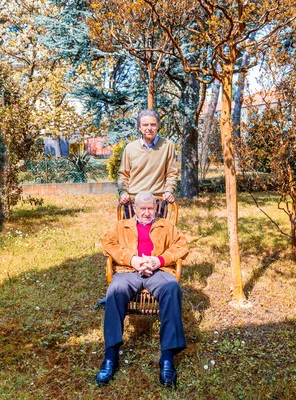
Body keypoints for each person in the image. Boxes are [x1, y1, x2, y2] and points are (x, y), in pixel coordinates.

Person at [96, 191, 188, 387]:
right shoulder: (122, 226)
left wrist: (158, 260)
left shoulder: (167, 226)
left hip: (158, 271)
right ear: (135, 209)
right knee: (114, 290)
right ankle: (110, 357)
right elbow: (107, 243)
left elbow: (182, 246)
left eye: (150, 208)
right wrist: (133, 260)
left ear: (155, 208)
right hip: (129, 270)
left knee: (172, 288)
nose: (147, 212)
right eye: (142, 208)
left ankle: (167, 359)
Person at [117, 109, 178, 215]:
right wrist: (123, 192)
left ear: (158, 126)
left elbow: (172, 173)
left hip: (158, 201)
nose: (149, 128)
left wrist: (169, 191)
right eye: (145, 125)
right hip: (133, 201)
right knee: (131, 231)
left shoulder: (167, 146)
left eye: (153, 124)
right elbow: (123, 175)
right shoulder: (130, 148)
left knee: (159, 232)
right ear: (139, 127)